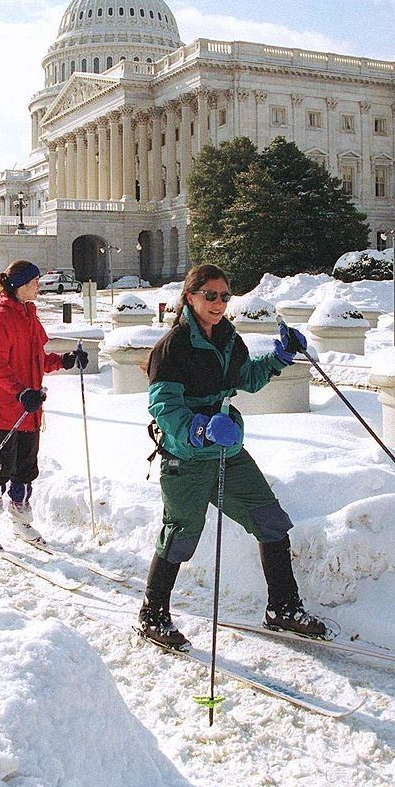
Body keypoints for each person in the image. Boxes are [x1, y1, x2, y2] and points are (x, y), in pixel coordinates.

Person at [139, 263, 326, 649]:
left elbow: (246, 379)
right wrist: (198, 428)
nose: (219, 303)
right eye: (210, 295)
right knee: (181, 534)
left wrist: (279, 358)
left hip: (227, 451)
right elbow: (164, 407)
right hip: (186, 458)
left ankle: (283, 608)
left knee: (271, 521)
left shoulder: (228, 339)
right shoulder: (174, 346)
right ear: (190, 297)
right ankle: (152, 615)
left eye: (225, 296)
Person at [0, 260, 87, 548]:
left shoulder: (29, 314)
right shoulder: (1, 317)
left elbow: (38, 358)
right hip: (5, 410)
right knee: (2, 468)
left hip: (30, 410)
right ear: (20, 286)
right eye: (34, 282)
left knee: (26, 469)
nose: (39, 286)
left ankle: (20, 519)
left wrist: (64, 361)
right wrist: (20, 392)